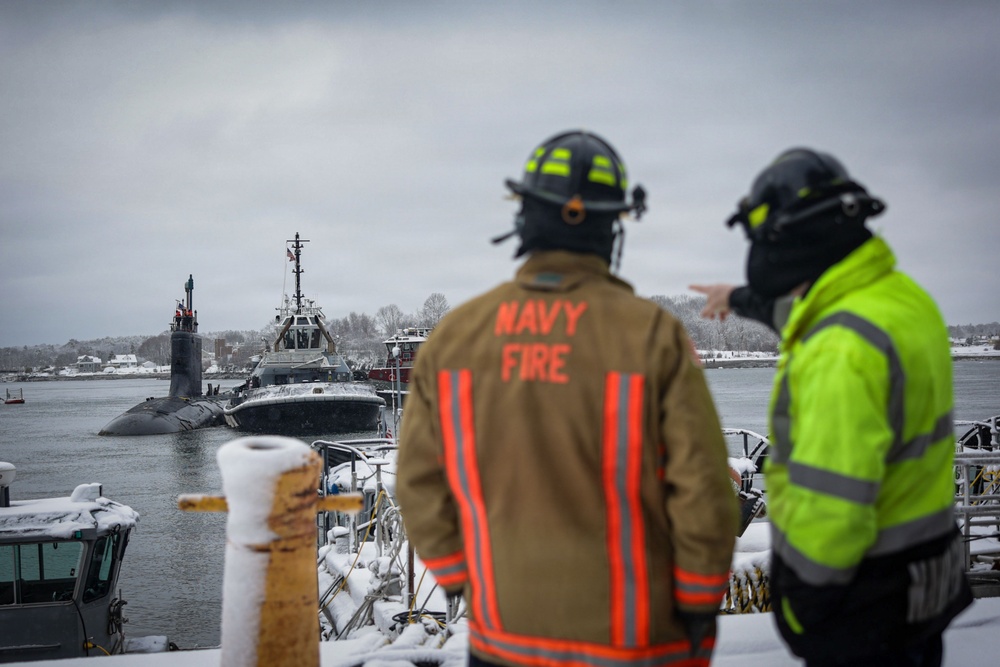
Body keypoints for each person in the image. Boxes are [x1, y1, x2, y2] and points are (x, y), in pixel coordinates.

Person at [397, 130, 738, 667]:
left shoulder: (454, 338)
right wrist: (697, 604)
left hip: (503, 637)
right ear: (612, 226)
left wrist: (460, 576)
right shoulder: (652, 336)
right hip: (637, 642)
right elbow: (705, 493)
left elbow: (417, 481)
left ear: (525, 218)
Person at [692, 148, 972, 666]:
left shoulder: (840, 347)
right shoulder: (902, 300)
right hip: (924, 577)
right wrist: (740, 297)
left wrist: (802, 607)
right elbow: (811, 309)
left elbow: (832, 513)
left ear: (790, 240)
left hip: (863, 606)